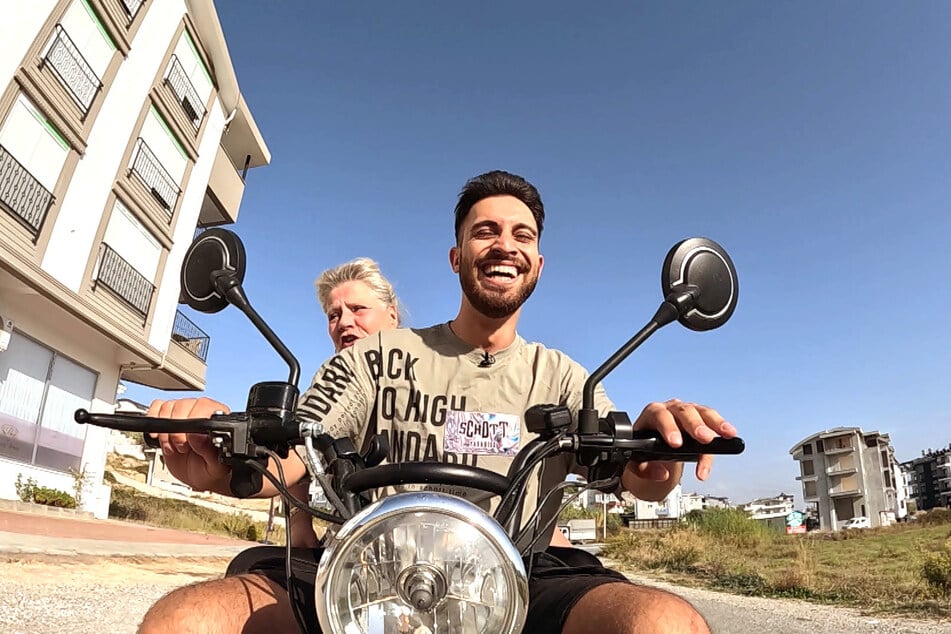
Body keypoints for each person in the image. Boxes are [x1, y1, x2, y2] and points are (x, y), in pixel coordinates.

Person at [140, 170, 736, 634]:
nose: (504, 244)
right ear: (456, 257)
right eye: (485, 231)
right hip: (366, 571)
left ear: (538, 264)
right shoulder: (375, 356)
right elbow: (301, 446)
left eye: (521, 234)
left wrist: (656, 461)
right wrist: (223, 451)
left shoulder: (565, 376)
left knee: (665, 623)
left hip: (522, 570)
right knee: (184, 620)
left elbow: (631, 475)